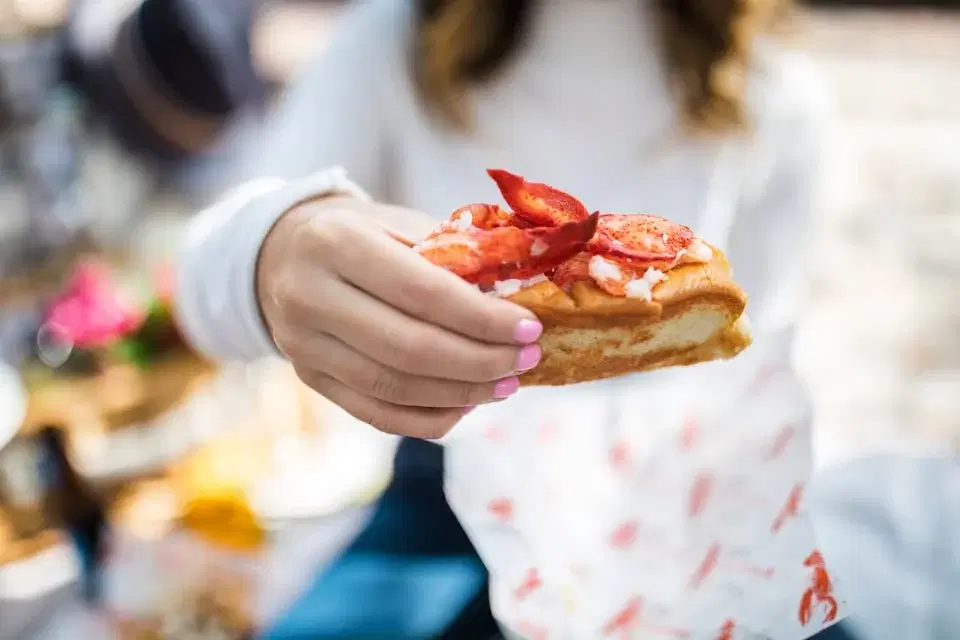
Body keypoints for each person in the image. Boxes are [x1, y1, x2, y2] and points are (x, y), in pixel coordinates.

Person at [174, 0, 848, 637]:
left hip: (679, 495)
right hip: (452, 472)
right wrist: (270, 251)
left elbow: (757, 348)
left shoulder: (774, 90)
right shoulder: (394, 40)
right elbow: (199, 274)